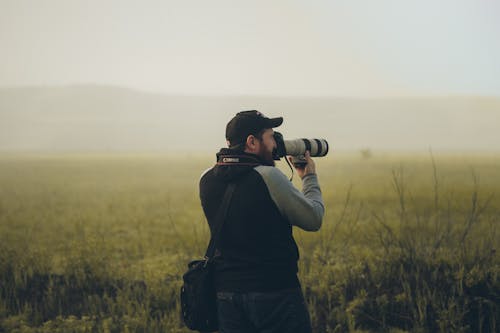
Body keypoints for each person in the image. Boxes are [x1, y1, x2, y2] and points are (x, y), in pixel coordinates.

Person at [199, 110, 325, 333]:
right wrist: (309, 178)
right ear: (252, 142)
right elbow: (313, 218)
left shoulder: (206, 179)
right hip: (274, 293)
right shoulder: (268, 176)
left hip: (226, 296)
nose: (276, 145)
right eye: (270, 137)